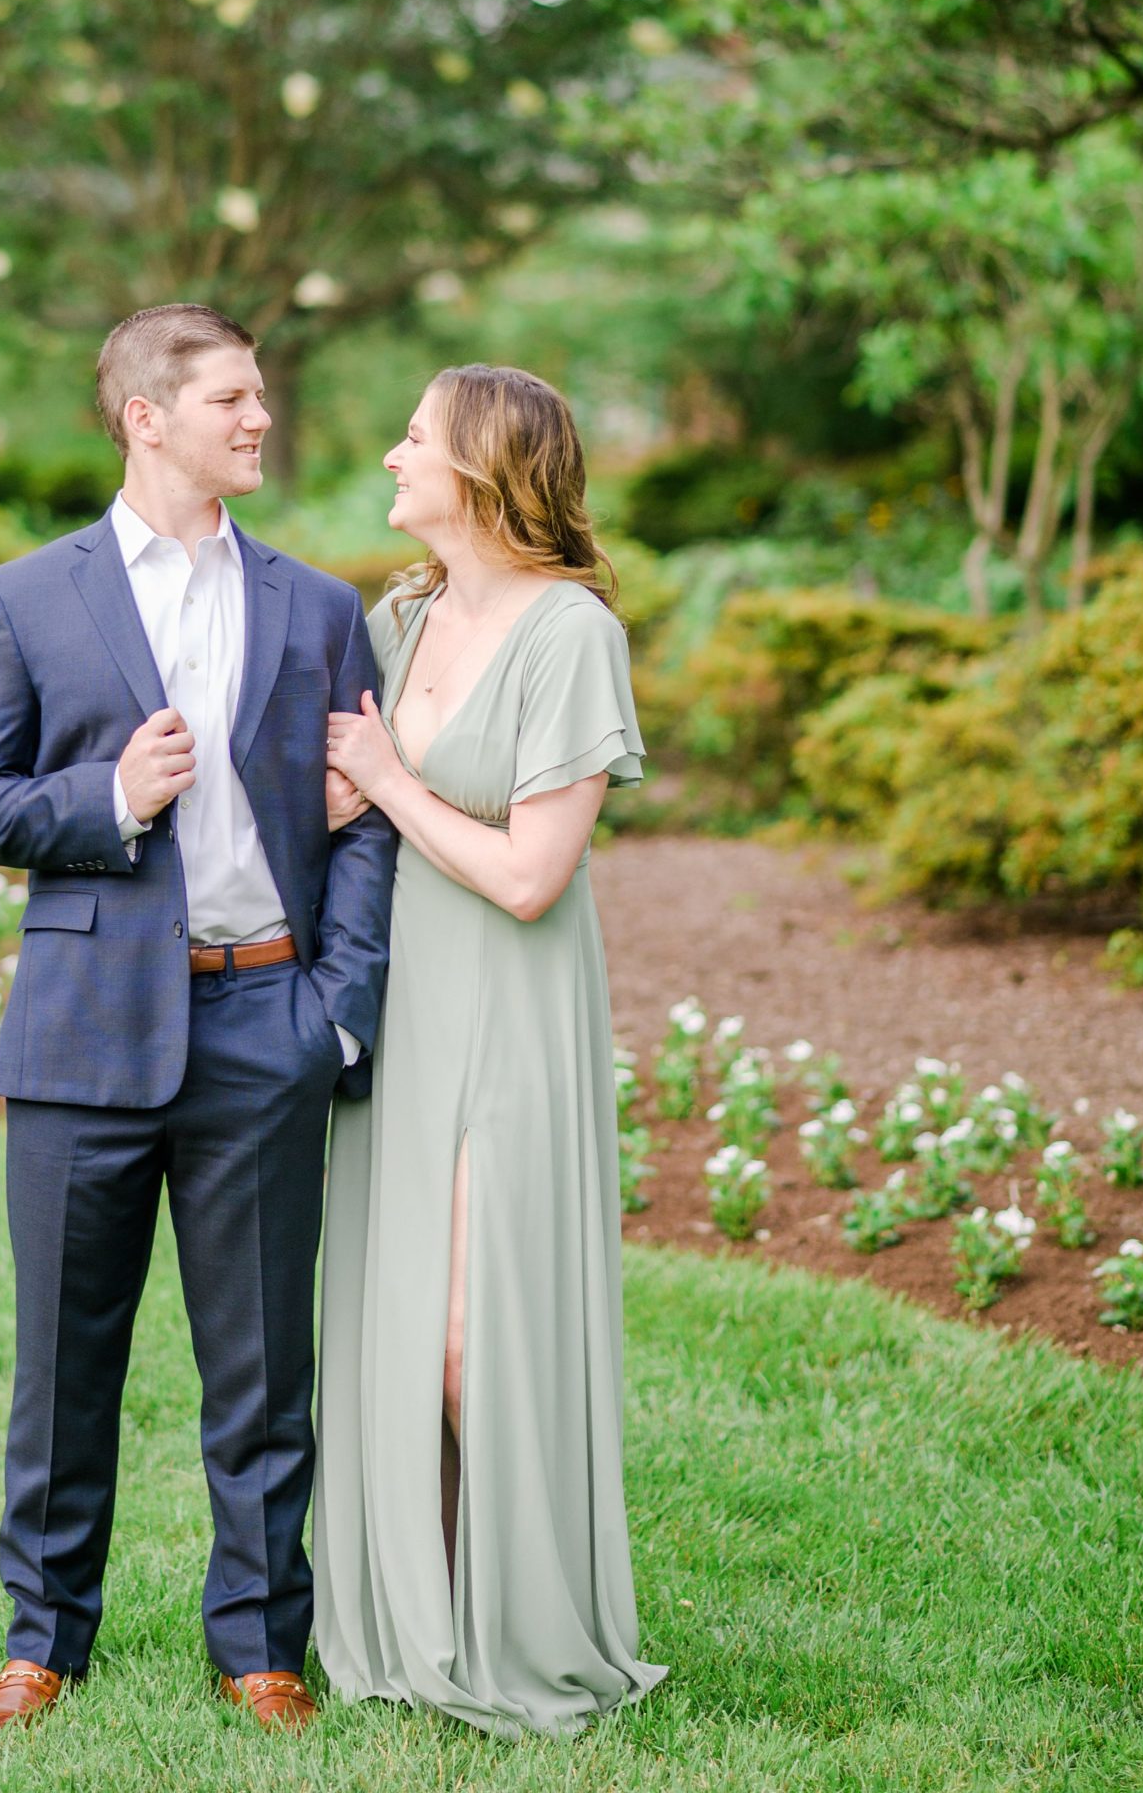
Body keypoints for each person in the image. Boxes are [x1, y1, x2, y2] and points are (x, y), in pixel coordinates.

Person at [0, 303, 396, 1734]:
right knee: (65, 1363)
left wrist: (338, 1008)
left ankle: (260, 1644)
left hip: (266, 1021)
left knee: (263, 1368)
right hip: (83, 1034)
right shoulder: (27, 595)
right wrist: (105, 801)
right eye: (235, 399)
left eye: (261, 399)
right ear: (148, 416)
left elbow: (365, 809)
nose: (261, 420)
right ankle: (43, 1643)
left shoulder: (320, 608)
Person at [315, 362, 667, 1735]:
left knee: (473, 1333)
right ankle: (417, 1615)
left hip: (507, 1007)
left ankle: (524, 1624)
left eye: (416, 435)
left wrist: (392, 785)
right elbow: (351, 811)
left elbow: (533, 875)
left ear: (481, 468)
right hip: (396, 1006)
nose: (393, 453)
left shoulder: (569, 632)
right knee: (398, 1320)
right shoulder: (397, 619)